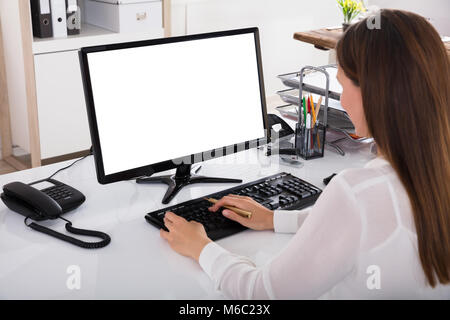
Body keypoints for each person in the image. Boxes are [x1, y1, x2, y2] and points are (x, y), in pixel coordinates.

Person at [159, 9, 450, 299]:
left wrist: (200, 247)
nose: (341, 99)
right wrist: (276, 219)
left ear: (374, 91)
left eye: (342, 83)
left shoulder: (355, 192)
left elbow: (263, 293)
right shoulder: (433, 171)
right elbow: (356, 226)